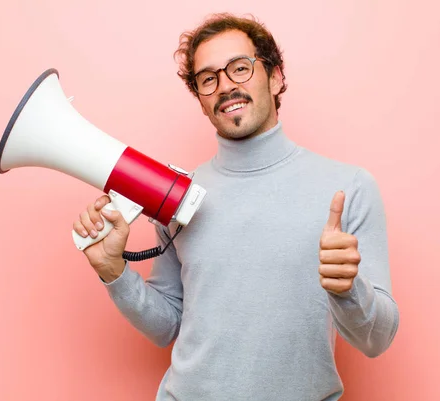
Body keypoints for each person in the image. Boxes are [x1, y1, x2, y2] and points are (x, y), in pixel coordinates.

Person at [73, 13, 399, 401]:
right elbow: (166, 326)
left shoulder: (348, 188)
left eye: (240, 68)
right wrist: (114, 271)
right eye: (208, 79)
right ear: (201, 98)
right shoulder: (178, 197)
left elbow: (377, 340)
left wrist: (349, 290)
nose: (225, 86)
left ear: (275, 77)